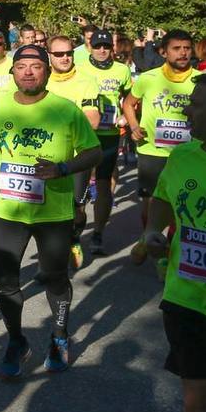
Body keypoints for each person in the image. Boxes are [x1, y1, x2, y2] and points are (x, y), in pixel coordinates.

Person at [0, 45, 102, 378]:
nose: (28, 72)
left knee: (54, 277)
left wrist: (62, 168)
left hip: (53, 214)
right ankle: (17, 341)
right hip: (7, 211)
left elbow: (93, 152)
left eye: (36, 66)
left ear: (47, 71)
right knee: (4, 282)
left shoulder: (65, 110)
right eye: (21, 66)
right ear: (12, 71)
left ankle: (59, 336)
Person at [140, 74, 206, 412]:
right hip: (188, 301)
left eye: (198, 104)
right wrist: (153, 235)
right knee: (200, 403)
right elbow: (164, 206)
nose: (187, 112)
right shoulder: (183, 155)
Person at [123, 30, 198, 262]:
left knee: (180, 201)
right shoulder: (148, 78)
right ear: (164, 52)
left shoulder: (200, 79)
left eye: (187, 47)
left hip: (186, 153)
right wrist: (134, 126)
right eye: (177, 48)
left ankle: (167, 252)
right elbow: (128, 103)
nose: (183, 52)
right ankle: (149, 236)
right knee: (151, 202)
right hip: (152, 150)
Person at [45, 35, 102, 267]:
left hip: (77, 156)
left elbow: (93, 120)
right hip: (47, 155)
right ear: (49, 55)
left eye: (68, 53)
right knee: (47, 210)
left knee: (76, 207)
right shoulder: (42, 80)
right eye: (58, 54)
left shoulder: (87, 82)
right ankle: (48, 263)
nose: (65, 58)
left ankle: (75, 236)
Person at [77, 31, 132, 255]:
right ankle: (75, 231)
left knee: (103, 183)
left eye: (106, 46)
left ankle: (98, 233)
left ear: (112, 48)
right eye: (98, 46)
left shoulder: (122, 70)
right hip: (84, 135)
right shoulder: (80, 70)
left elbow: (131, 97)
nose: (102, 50)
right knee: (79, 185)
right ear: (90, 47)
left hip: (109, 134)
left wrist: (128, 116)